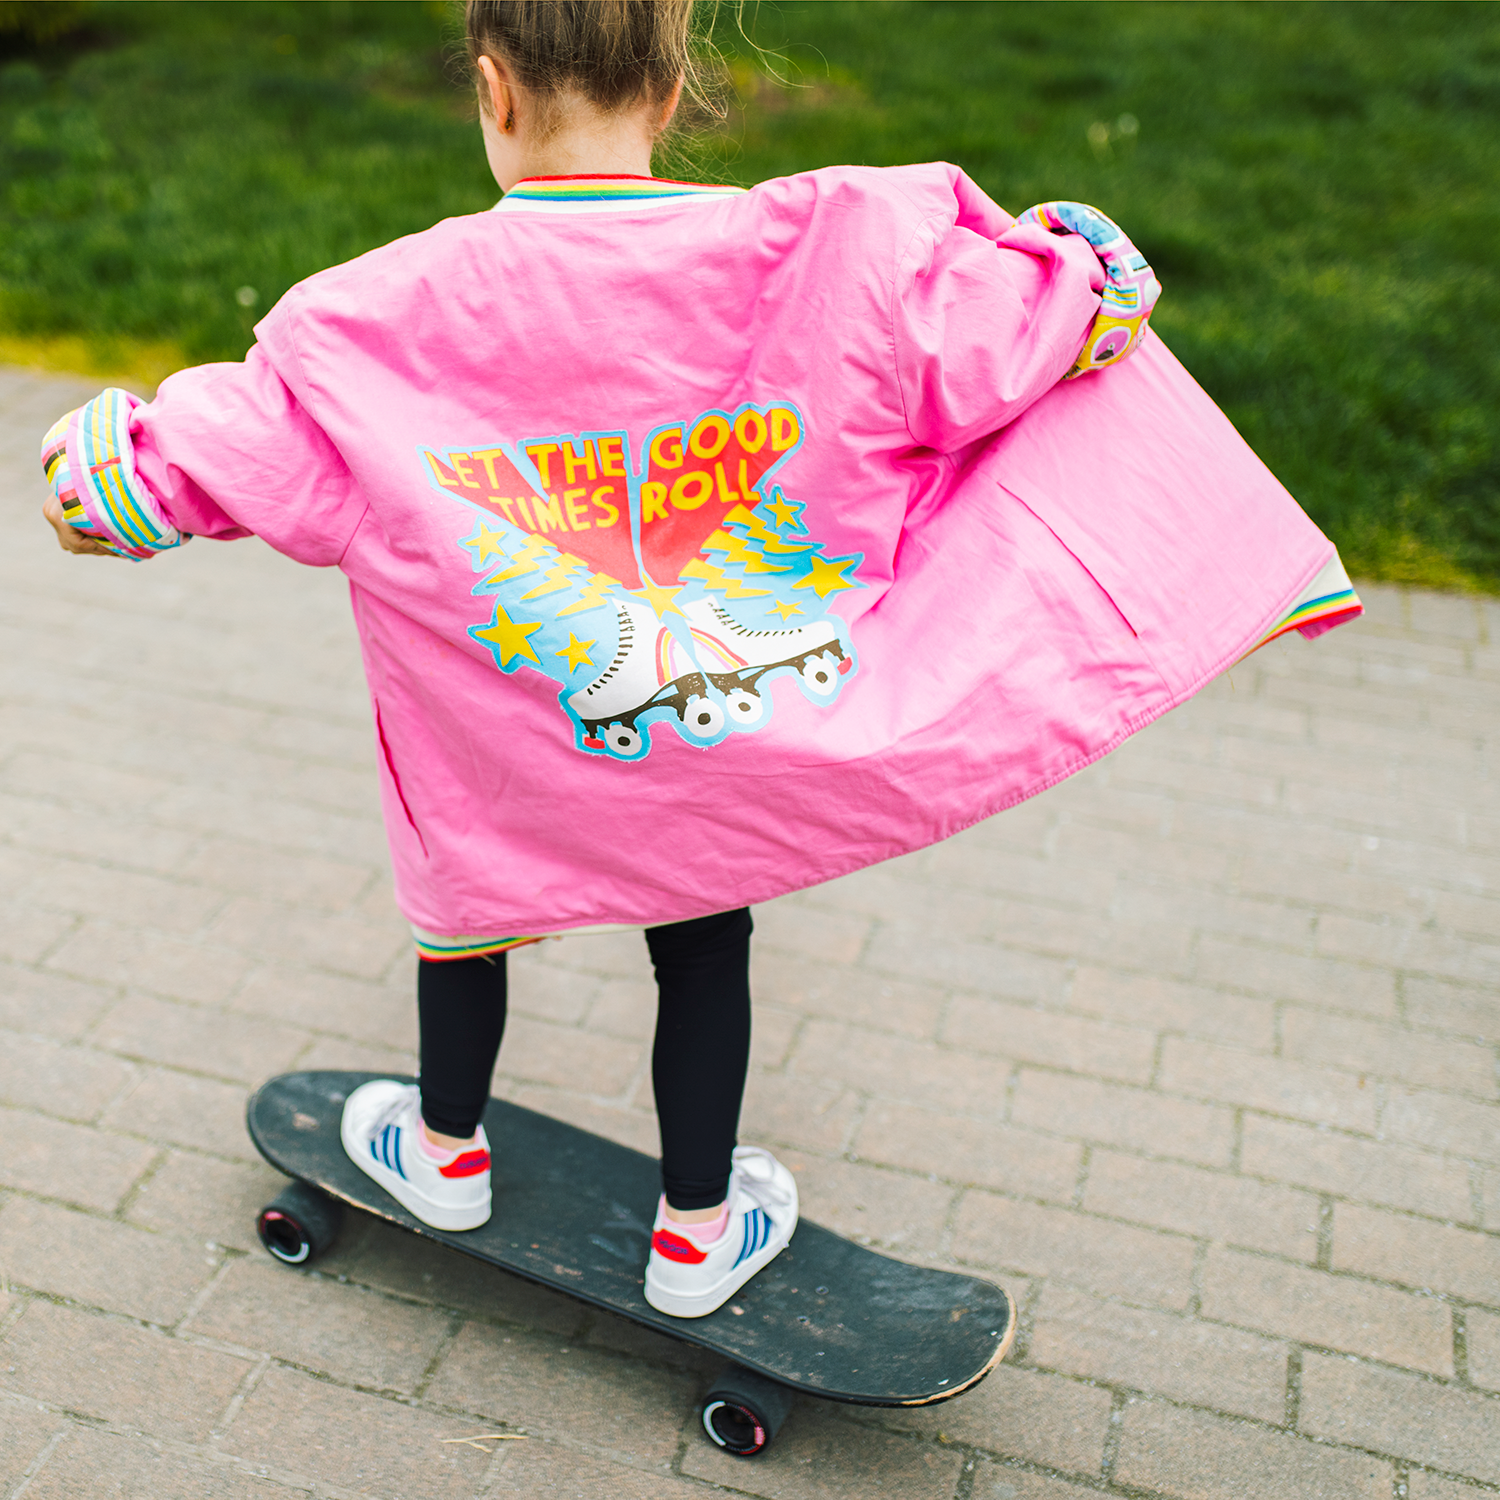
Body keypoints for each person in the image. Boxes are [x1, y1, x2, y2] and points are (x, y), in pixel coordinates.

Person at [39, 0, 1360, 1319]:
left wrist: (97, 482)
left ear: (492, 94)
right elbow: (1012, 333)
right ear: (673, 95)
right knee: (705, 931)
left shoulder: (377, 323)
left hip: (501, 765)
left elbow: (201, 464)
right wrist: (1085, 272)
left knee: (465, 910)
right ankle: (696, 1230)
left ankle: (442, 1153)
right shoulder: (815, 260)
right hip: (714, 748)